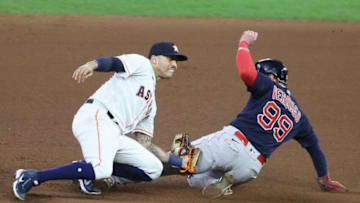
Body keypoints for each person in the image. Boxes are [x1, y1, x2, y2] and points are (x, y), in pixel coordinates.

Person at [162, 30, 347, 199]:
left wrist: (243, 43)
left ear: (272, 77)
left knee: (175, 157)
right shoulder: (299, 117)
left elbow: (246, 72)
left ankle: (135, 171)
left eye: (262, 74)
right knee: (195, 179)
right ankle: (223, 181)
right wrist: (325, 179)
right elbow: (314, 148)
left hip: (230, 145)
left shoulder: (269, 86)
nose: (258, 77)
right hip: (251, 167)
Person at [12, 41, 190, 200]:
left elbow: (145, 143)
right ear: (154, 59)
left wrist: (175, 161)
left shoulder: (151, 105)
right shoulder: (141, 64)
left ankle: (87, 170)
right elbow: (114, 63)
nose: (174, 64)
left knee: (153, 168)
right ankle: (34, 177)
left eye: (176, 61)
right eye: (170, 59)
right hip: (97, 117)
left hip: (113, 132)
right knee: (101, 169)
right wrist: (91, 65)